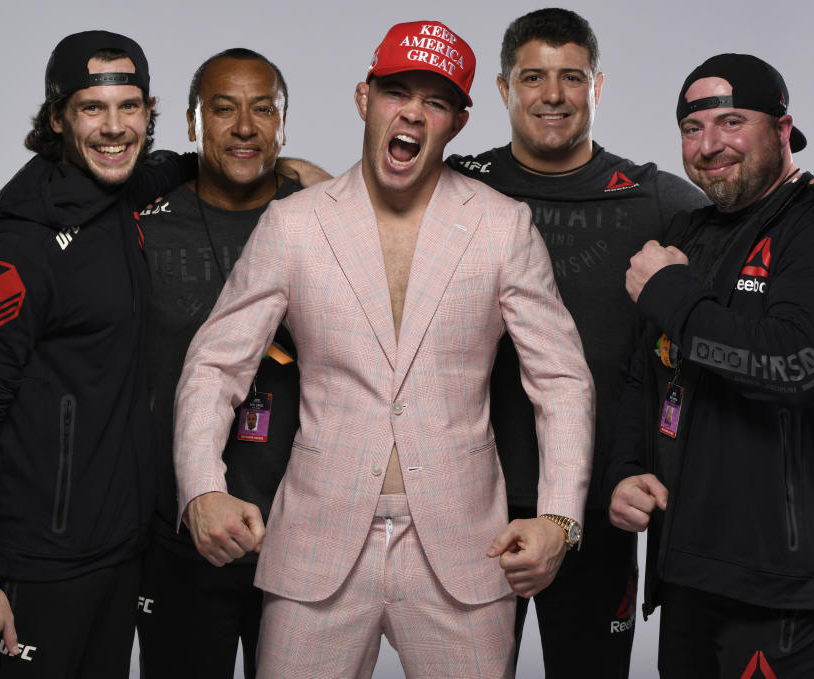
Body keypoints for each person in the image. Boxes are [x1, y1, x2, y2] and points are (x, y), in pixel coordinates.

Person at [173, 20, 594, 678]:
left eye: (435, 101)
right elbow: (215, 362)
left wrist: (560, 516)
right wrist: (202, 486)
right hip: (318, 546)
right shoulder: (295, 224)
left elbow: (562, 381)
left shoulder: (501, 225)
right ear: (365, 99)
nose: (413, 113)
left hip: (463, 549)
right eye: (398, 91)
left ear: (456, 121)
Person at [447, 9, 707, 676]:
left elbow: (752, 225)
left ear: (598, 86)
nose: (553, 95)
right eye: (533, 77)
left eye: (571, 77)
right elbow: (350, 206)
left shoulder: (652, 200)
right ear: (505, 90)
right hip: (470, 499)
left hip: (596, 503)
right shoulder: (454, 187)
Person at [606, 53, 814, 678]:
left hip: (785, 580)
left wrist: (670, 292)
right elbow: (645, 374)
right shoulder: (687, 231)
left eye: (731, 121)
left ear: (783, 130)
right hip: (690, 565)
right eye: (692, 128)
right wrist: (626, 470)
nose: (709, 145)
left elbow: (794, 366)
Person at [0, 31, 195, 678]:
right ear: (57, 118)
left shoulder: (128, 193)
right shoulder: (13, 249)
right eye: (92, 109)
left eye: (130, 107)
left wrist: (300, 175)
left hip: (120, 554)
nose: (115, 128)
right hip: (41, 567)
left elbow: (195, 164)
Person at [133, 49, 305, 679]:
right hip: (179, 531)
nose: (243, 127)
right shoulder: (144, 224)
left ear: (283, 126)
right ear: (190, 122)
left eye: (264, 110)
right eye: (222, 108)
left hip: (303, 532)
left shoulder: (324, 218)